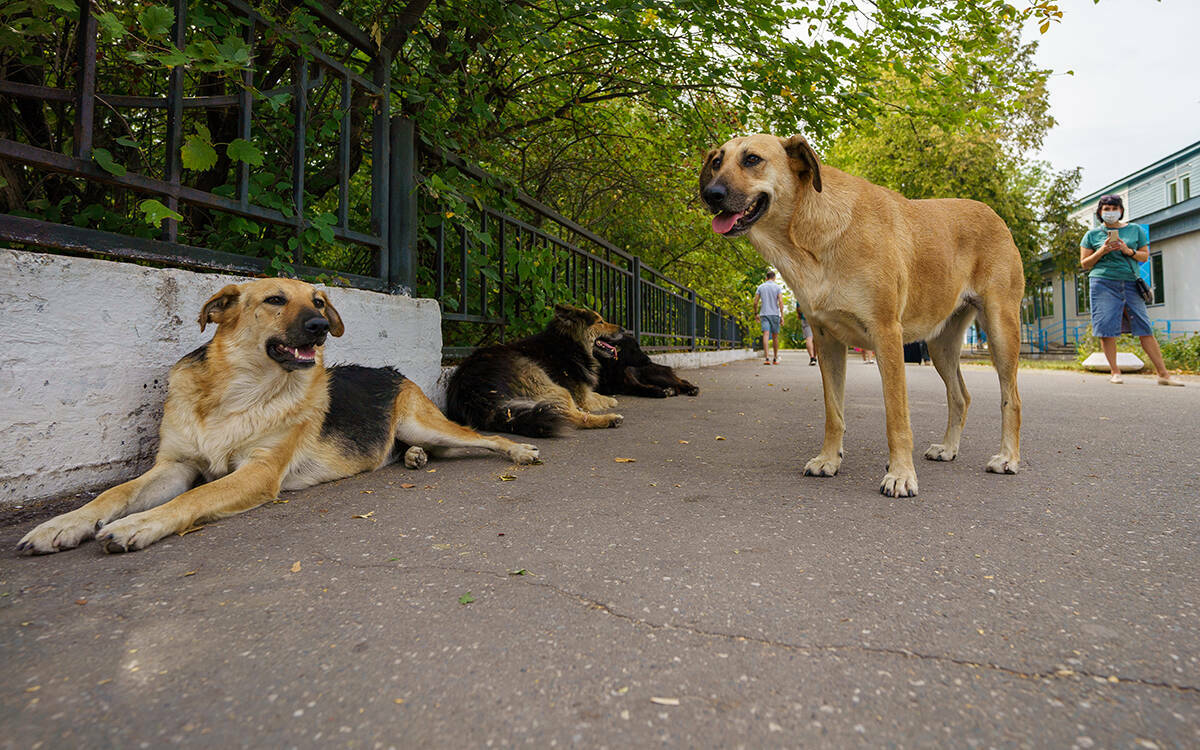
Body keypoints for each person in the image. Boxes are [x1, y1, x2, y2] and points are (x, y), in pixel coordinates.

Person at [1079, 194, 1183, 386]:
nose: (1110, 212)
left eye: (1114, 208)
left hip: (1130, 282)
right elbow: (1085, 264)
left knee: (1144, 326)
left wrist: (1128, 251)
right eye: (1106, 209)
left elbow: (1144, 256)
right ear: (1100, 213)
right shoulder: (1091, 235)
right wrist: (1103, 250)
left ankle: (1163, 374)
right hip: (1102, 283)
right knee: (1107, 328)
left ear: (1121, 210)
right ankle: (1115, 371)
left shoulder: (1135, 230)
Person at [754, 270, 783, 364]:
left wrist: (756, 314)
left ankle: (766, 358)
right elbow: (781, 302)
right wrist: (782, 316)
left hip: (764, 314)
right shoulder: (777, 287)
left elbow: (755, 302)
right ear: (774, 278)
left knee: (765, 335)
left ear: (766, 278)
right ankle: (775, 358)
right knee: (775, 337)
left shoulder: (761, 287)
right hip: (775, 314)